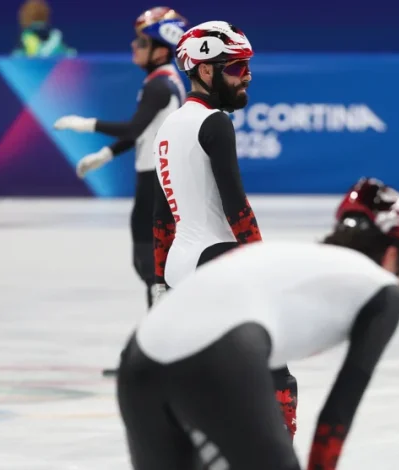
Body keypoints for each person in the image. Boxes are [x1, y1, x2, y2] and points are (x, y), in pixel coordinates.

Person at [116, 178, 399, 470]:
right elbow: (339, 409)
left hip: (138, 357)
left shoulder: (290, 256)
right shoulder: (383, 288)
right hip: (218, 355)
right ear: (392, 256)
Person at [149, 20, 301, 437]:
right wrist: (262, 262)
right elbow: (237, 207)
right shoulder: (215, 122)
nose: (246, 76)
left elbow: (162, 216)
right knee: (276, 379)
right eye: (236, 67)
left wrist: (160, 280)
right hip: (219, 258)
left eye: (247, 66)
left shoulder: (169, 127)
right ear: (204, 70)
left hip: (182, 263)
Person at [53, 7, 187, 308]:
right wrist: (106, 154)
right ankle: (161, 324)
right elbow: (143, 132)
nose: (133, 46)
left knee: (152, 266)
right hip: (156, 180)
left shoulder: (159, 85)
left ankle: (163, 332)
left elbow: (134, 127)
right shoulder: (163, 81)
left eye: (141, 42)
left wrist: (86, 124)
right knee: (150, 266)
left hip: (156, 184)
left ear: (159, 50)